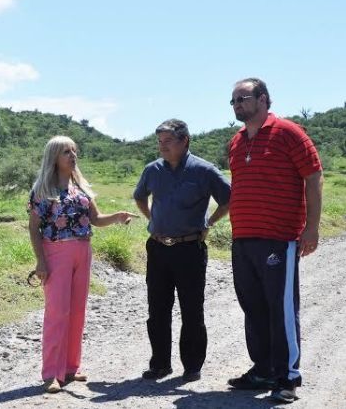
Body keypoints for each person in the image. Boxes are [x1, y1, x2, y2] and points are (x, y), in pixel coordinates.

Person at [226, 78, 323, 404]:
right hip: (242, 238)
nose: (238, 104)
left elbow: (313, 176)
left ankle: (287, 377)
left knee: (281, 309)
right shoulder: (236, 141)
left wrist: (311, 227)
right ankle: (263, 368)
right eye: (234, 101)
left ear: (263, 99)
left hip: (278, 239)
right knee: (252, 307)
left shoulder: (289, 133)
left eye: (243, 98)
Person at [28, 135, 137, 393]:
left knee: (77, 310)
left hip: (83, 250)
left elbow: (96, 218)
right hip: (56, 252)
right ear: (54, 157)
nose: (72, 155)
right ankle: (51, 374)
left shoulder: (81, 188)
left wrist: (117, 217)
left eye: (74, 151)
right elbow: (34, 228)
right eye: (66, 151)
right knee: (57, 312)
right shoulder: (43, 190)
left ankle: (70, 367)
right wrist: (40, 261)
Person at [133, 119, 231, 383]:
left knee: (191, 310)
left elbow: (228, 199)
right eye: (159, 142)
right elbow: (139, 196)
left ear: (184, 140)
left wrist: (209, 223)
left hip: (190, 248)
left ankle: (192, 366)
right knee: (158, 310)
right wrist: (151, 219)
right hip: (157, 248)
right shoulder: (152, 170)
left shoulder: (204, 170)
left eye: (168, 141)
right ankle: (160, 364)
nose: (162, 147)